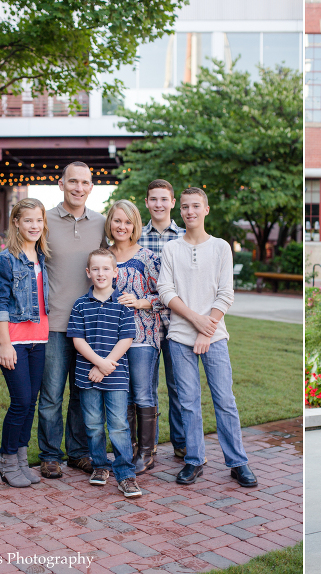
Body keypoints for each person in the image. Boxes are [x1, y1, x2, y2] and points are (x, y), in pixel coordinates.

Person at [157, 187, 257, 487]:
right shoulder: (171, 249)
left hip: (215, 337)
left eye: (196, 206)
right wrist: (196, 321)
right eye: (185, 207)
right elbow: (165, 291)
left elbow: (226, 293)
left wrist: (207, 328)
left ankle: (238, 462)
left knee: (225, 400)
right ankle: (193, 460)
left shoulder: (221, 247)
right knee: (187, 401)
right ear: (180, 211)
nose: (190, 211)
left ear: (206, 209)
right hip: (179, 336)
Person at [37, 161, 106, 479]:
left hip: (89, 325)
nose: (79, 187)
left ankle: (78, 453)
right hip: (53, 323)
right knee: (51, 393)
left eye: (85, 182)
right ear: (61, 184)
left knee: (81, 392)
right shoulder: (45, 221)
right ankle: (50, 455)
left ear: (92, 186)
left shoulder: (101, 224)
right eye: (73, 181)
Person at [67, 249, 141, 498]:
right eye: (95, 269)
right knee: (94, 424)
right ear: (88, 273)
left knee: (119, 425)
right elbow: (77, 340)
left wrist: (106, 364)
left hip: (116, 375)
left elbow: (127, 338)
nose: (101, 273)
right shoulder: (80, 305)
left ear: (115, 272)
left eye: (106, 269)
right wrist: (98, 364)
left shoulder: (122, 305)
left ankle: (126, 474)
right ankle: (99, 465)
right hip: (87, 376)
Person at [0, 198, 51, 488]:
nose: (34, 226)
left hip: (39, 339)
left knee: (31, 404)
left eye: (39, 220)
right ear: (16, 222)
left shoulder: (42, 257)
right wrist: (4, 344)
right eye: (28, 220)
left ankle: (22, 461)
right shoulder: (5, 259)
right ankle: (6, 460)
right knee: (20, 401)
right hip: (13, 341)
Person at [106, 199, 163, 474]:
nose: (122, 226)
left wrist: (139, 302)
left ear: (135, 226)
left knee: (142, 393)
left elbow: (165, 297)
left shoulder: (148, 258)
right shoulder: (102, 257)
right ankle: (126, 448)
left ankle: (147, 452)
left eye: (128, 222)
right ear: (110, 222)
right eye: (118, 220)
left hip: (142, 336)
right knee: (122, 395)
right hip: (111, 339)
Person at [139, 179, 186, 459]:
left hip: (176, 321)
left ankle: (181, 444)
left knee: (179, 385)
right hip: (143, 324)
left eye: (163, 199)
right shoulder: (134, 235)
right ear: (147, 203)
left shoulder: (184, 236)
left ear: (172, 203)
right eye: (153, 199)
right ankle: (149, 445)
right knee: (146, 387)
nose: (158, 204)